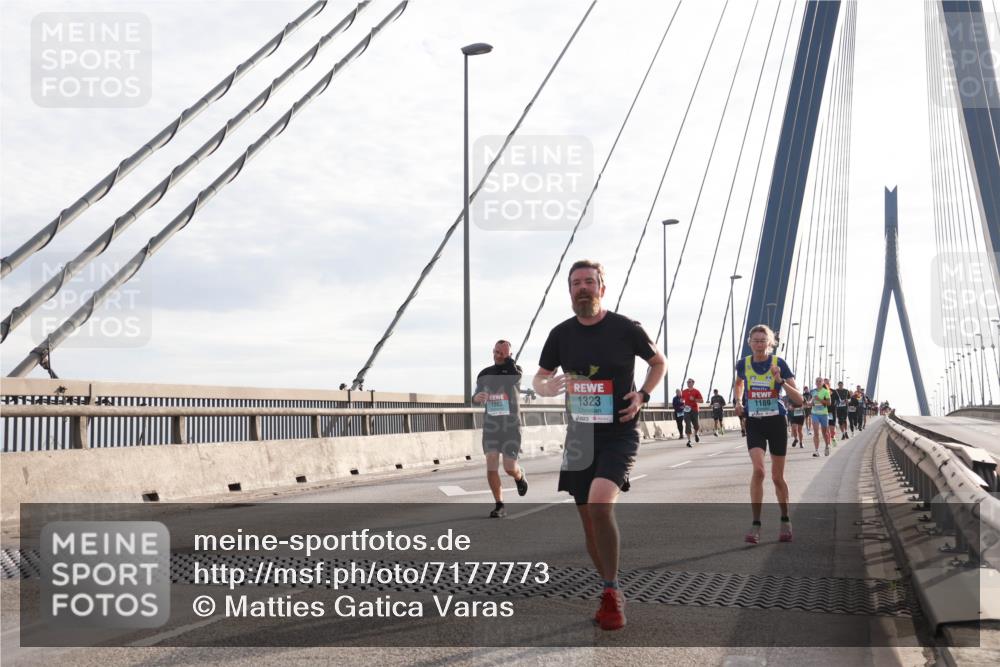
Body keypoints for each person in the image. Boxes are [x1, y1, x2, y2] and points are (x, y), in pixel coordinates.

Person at [533, 260, 666, 631]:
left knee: (600, 503)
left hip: (618, 434)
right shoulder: (560, 334)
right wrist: (546, 386)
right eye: (576, 283)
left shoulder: (626, 328)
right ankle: (608, 581)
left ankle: (611, 591)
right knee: (588, 521)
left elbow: (659, 362)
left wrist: (643, 394)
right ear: (570, 291)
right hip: (579, 439)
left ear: (602, 288)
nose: (582, 288)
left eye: (589, 282)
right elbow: (540, 378)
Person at [734, 324, 802, 544]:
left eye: (764, 340)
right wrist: (737, 401)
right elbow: (739, 383)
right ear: (749, 342)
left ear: (770, 343)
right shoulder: (743, 364)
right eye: (756, 340)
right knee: (759, 471)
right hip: (754, 422)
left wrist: (780, 380)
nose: (759, 344)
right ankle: (755, 525)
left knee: (777, 477)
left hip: (775, 423)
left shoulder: (779, 363)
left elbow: (799, 399)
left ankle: (785, 519)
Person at [473, 340, 528, 518]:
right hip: (491, 426)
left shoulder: (515, 371)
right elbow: (475, 395)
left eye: (501, 353)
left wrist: (508, 359)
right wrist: (477, 397)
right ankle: (500, 505)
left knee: (509, 467)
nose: (497, 355)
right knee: (491, 464)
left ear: (509, 355)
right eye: (496, 352)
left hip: (511, 427)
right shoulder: (485, 373)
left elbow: (515, 374)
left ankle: (520, 477)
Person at [811, 377, 833, 457]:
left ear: (823, 383)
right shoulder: (813, 391)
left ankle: (827, 446)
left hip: (824, 414)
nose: (818, 382)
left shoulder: (826, 392)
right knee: (816, 432)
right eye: (817, 381)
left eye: (820, 381)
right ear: (815, 383)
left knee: (825, 433)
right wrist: (810, 403)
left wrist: (819, 399)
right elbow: (812, 402)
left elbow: (829, 403)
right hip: (814, 413)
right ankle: (816, 451)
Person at [681, 378, 703, 447]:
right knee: (687, 424)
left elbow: (702, 401)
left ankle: (696, 434)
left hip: (694, 410)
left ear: (693, 383)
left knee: (696, 425)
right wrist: (682, 401)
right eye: (687, 382)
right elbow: (682, 399)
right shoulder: (684, 391)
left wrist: (694, 399)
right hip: (687, 410)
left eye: (690, 382)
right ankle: (689, 440)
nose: (688, 383)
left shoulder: (696, 391)